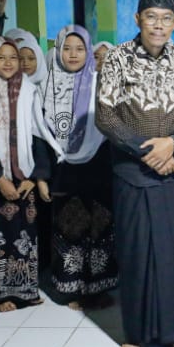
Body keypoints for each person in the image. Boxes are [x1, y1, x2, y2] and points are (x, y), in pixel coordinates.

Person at [96, 0, 174, 347]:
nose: (158, 25)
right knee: (137, 253)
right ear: (137, 19)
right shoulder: (117, 59)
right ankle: (136, 336)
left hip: (172, 174)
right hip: (133, 174)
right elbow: (106, 116)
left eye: (166, 18)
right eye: (151, 17)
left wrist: (173, 143)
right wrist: (151, 151)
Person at [35, 24, 118, 309]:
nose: (73, 54)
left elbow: (112, 131)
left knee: (100, 228)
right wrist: (42, 177)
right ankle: (70, 289)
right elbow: (39, 136)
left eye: (80, 48)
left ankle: (98, 288)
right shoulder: (45, 88)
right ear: (57, 51)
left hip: (99, 170)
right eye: (67, 48)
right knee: (70, 230)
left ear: (88, 52)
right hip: (63, 173)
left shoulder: (102, 85)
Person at [0, 36, 41, 310]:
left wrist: (34, 175)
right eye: (1, 57)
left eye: (12, 57)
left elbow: (40, 133)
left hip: (24, 174)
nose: (7, 62)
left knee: (24, 235)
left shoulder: (29, 89)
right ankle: (0, 294)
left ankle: (25, 291)